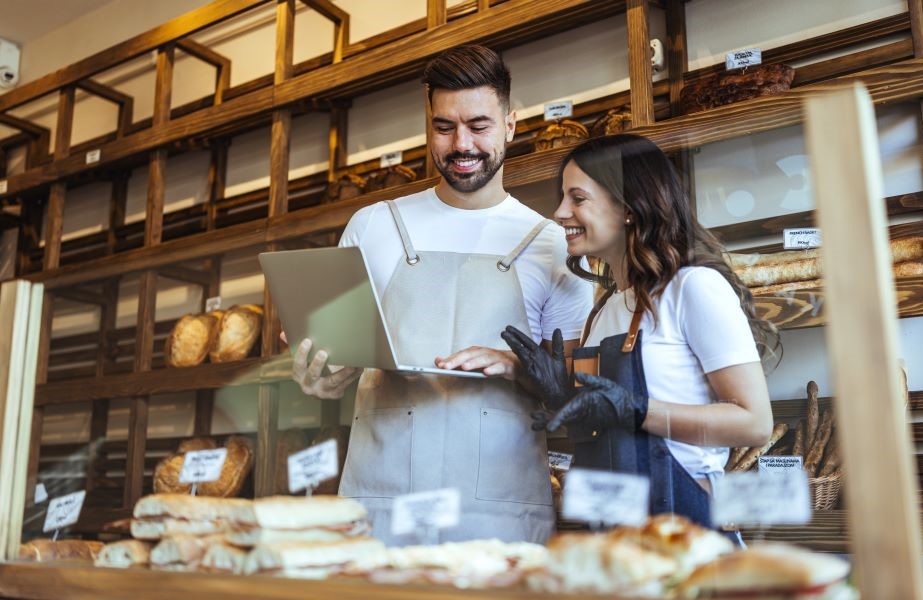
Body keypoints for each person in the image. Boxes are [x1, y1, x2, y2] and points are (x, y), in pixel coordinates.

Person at [290, 45, 593, 544]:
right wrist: (320, 377)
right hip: (380, 507)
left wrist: (517, 366)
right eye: (444, 127)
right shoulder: (372, 226)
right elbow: (332, 368)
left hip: (498, 515)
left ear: (511, 125)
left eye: (479, 125)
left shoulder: (552, 243)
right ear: (427, 127)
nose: (461, 144)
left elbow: (577, 385)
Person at [503, 134, 779, 528]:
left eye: (577, 198)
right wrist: (561, 396)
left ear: (628, 206)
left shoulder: (692, 287)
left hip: (681, 526)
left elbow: (754, 423)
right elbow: (609, 428)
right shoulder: (605, 308)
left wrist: (638, 411)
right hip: (612, 530)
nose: (560, 213)